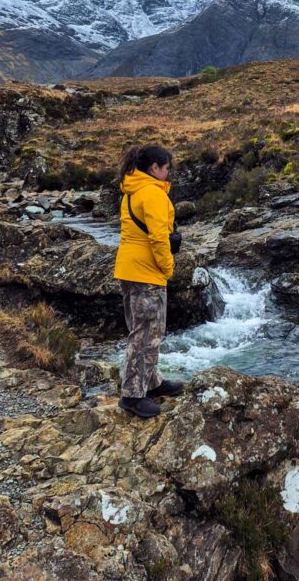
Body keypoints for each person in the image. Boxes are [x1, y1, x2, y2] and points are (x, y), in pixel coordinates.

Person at [114, 143, 185, 418]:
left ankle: (152, 381)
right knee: (146, 335)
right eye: (167, 168)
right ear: (154, 168)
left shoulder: (131, 191)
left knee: (140, 330)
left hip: (129, 268)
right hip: (147, 273)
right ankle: (132, 395)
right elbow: (158, 238)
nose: (169, 173)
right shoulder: (153, 194)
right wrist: (168, 268)